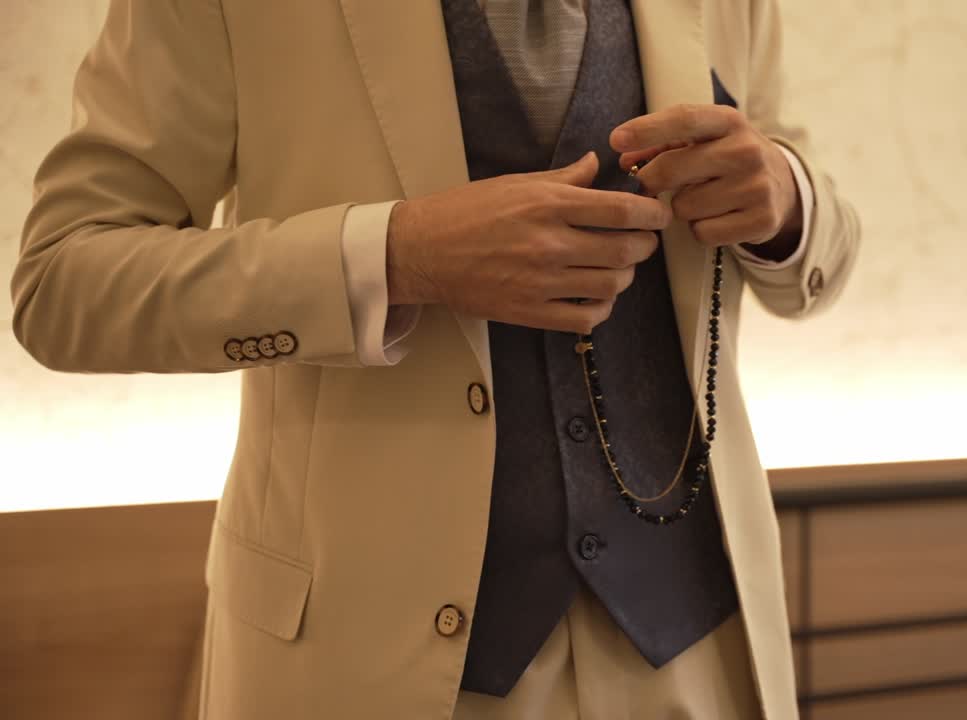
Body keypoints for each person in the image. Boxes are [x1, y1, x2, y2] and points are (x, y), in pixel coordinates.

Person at [12, 0, 858, 717]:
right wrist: (393, 256)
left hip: (697, 651)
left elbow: (804, 210)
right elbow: (63, 281)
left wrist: (784, 198)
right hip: (367, 663)